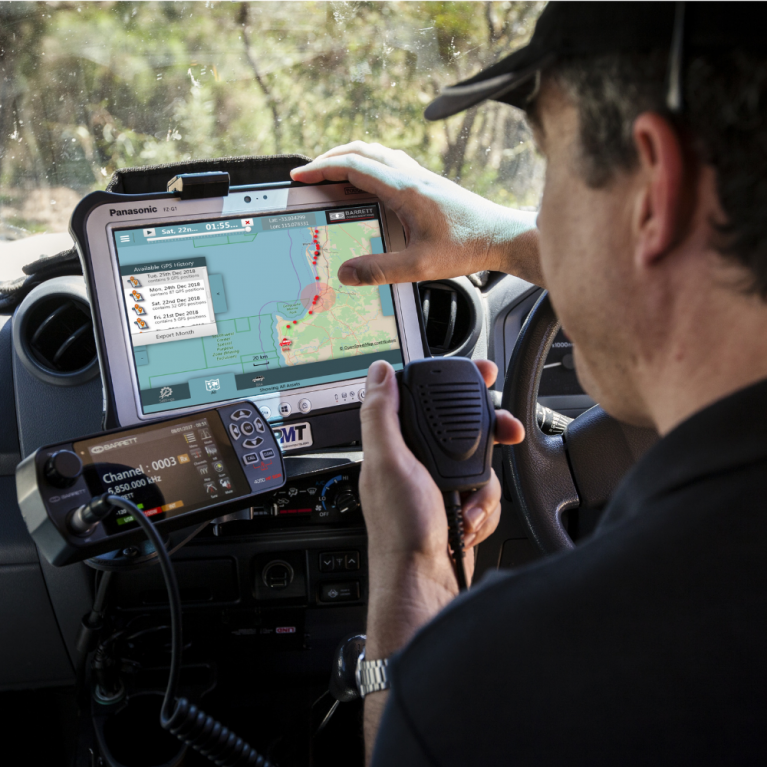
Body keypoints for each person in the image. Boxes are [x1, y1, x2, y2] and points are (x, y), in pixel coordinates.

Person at [292, 2, 767, 764]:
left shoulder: (492, 690)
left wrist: (412, 577)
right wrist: (501, 240)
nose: (538, 213)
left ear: (654, 190)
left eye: (549, 174)